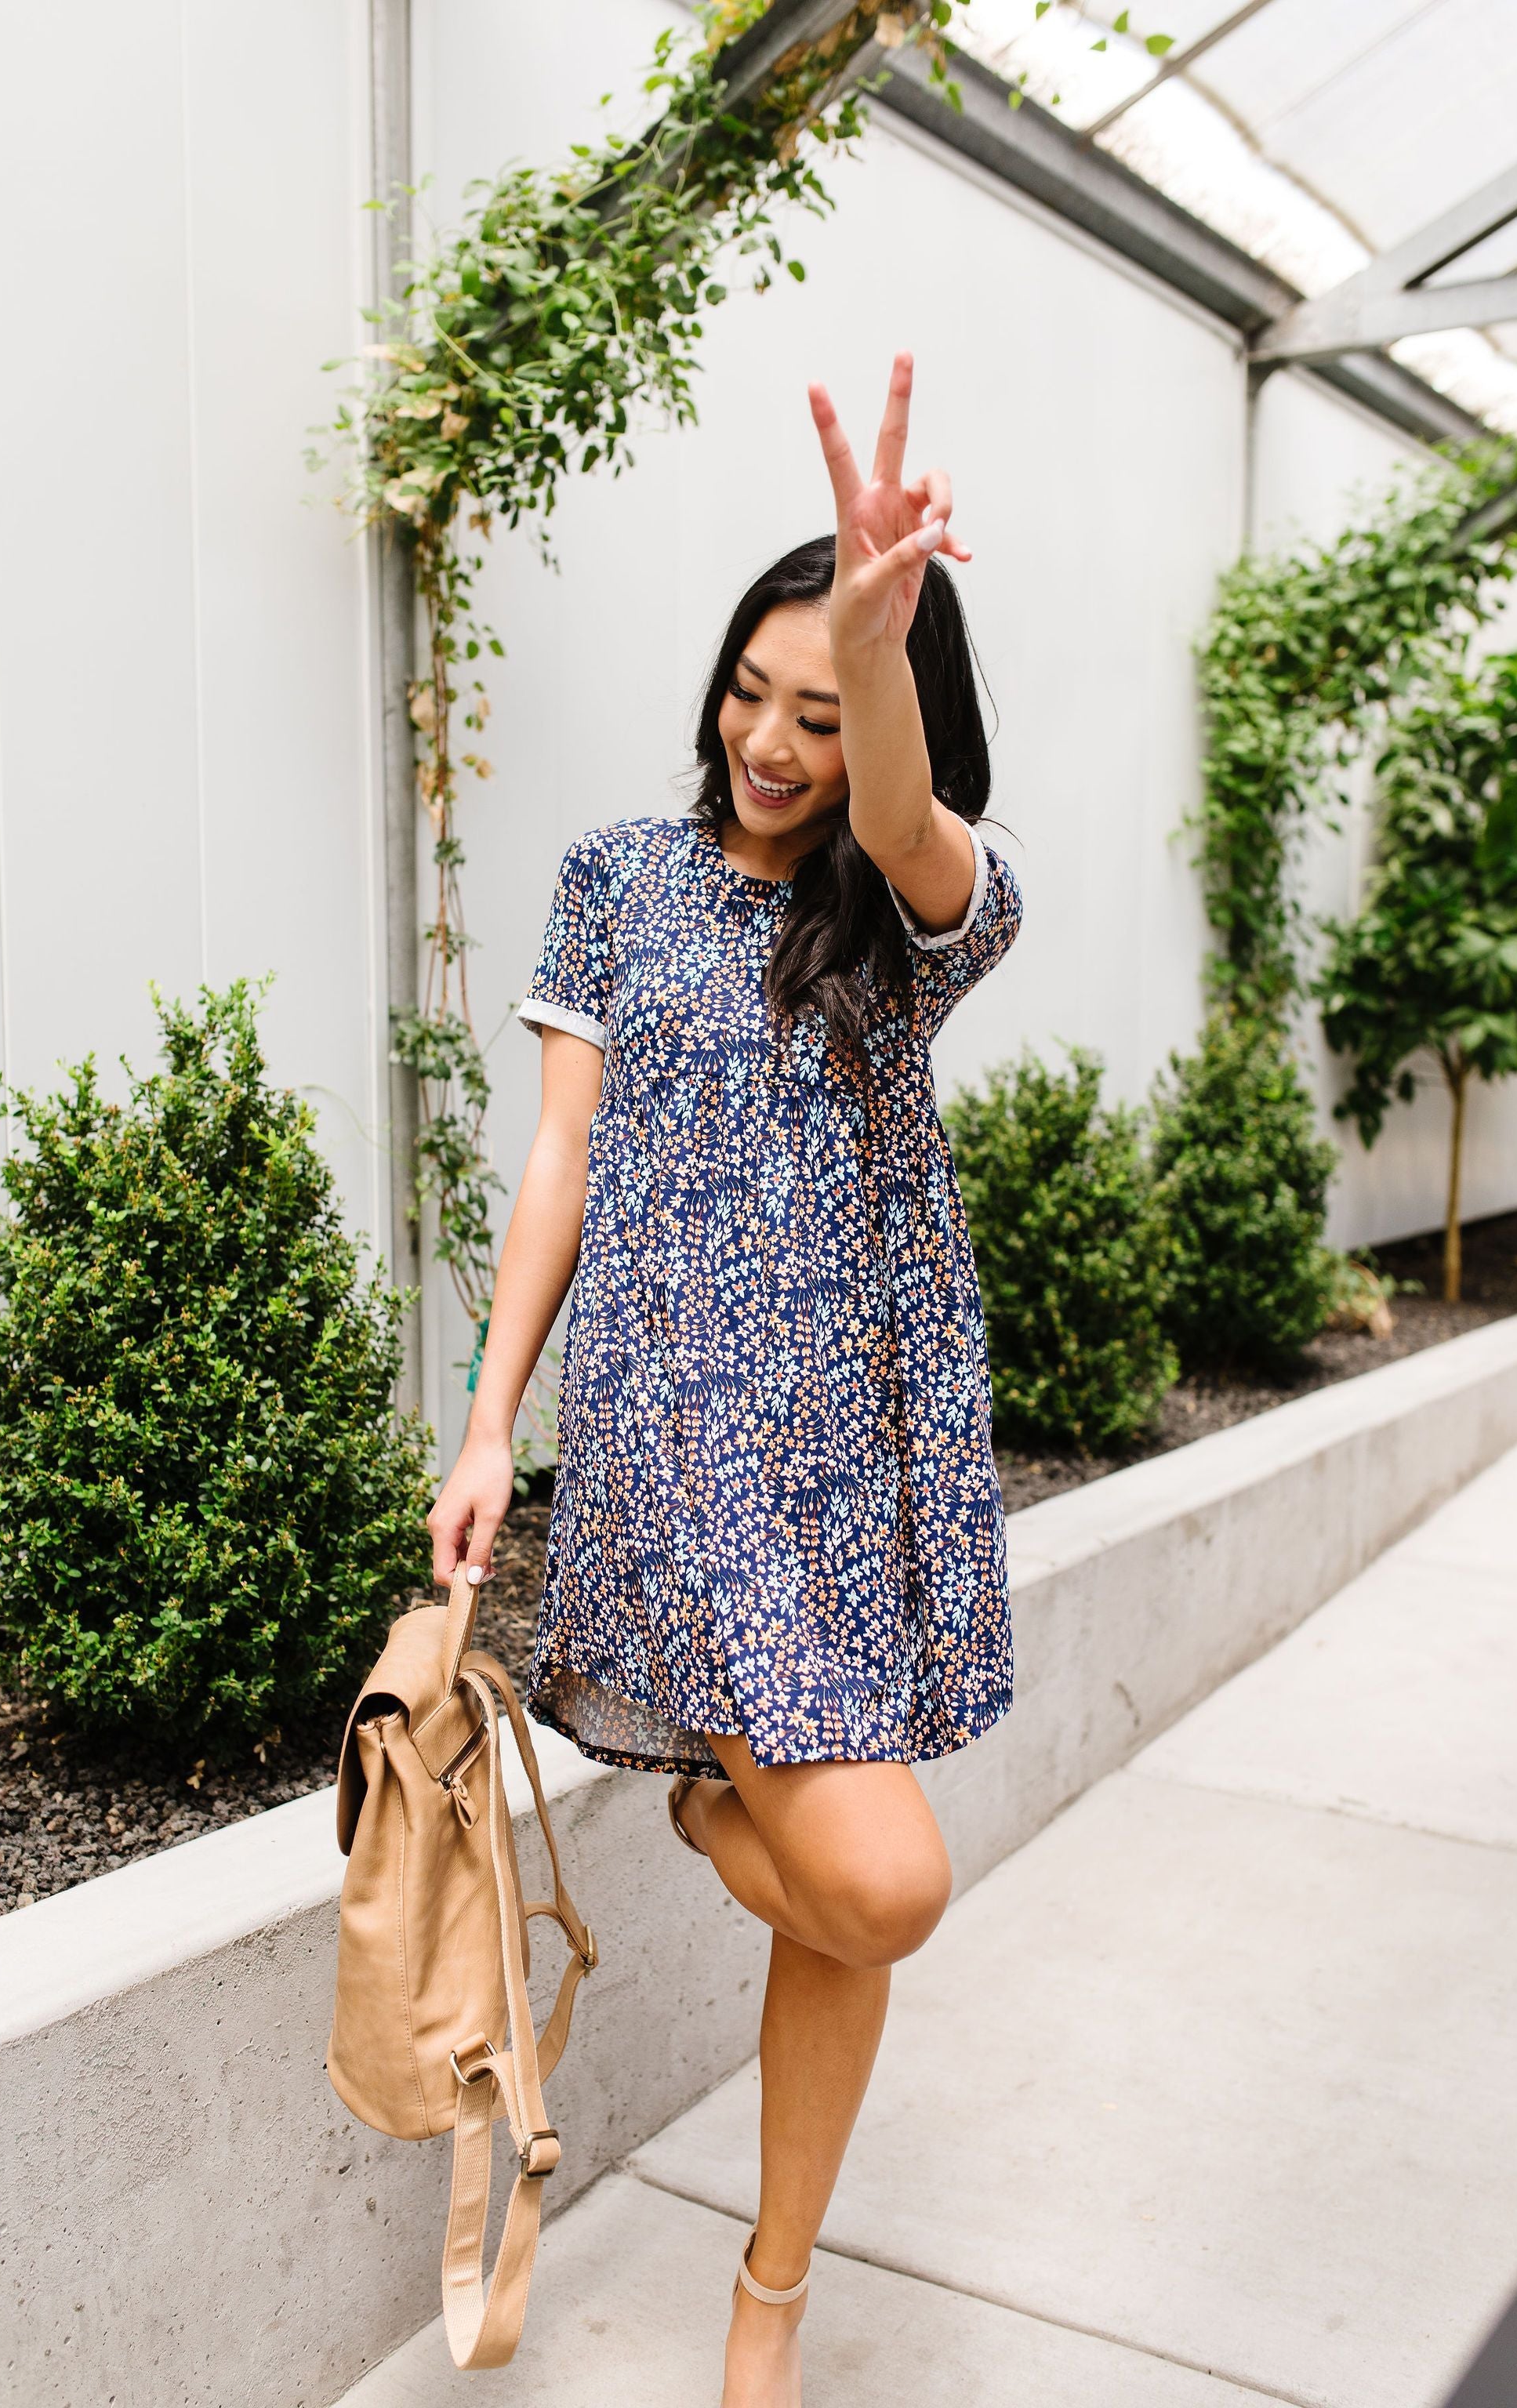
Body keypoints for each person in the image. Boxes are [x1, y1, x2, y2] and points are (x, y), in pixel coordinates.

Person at [429, 353, 1022, 2407]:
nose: (772, 742)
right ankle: (710, 1812)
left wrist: (889, 657)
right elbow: (562, 1162)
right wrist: (495, 1419)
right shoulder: (613, 877)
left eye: (826, 708)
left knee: (842, 1915)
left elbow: (911, 823)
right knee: (884, 1878)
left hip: (859, 1463)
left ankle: (765, 2303)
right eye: (755, 692)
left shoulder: (914, 914)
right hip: (681, 1462)